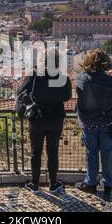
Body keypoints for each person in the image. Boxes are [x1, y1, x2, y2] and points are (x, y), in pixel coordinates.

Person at [75, 49, 112, 202]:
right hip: (108, 124)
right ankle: (107, 187)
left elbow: (81, 98)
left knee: (91, 153)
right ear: (106, 64)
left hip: (88, 124)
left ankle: (91, 183)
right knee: (107, 155)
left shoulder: (80, 78)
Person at [17, 50, 72, 194]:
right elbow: (67, 97)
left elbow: (20, 93)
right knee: (53, 152)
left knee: (36, 152)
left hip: (37, 120)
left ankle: (35, 184)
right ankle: (53, 183)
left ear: (44, 60)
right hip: (55, 121)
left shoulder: (34, 75)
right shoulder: (64, 78)